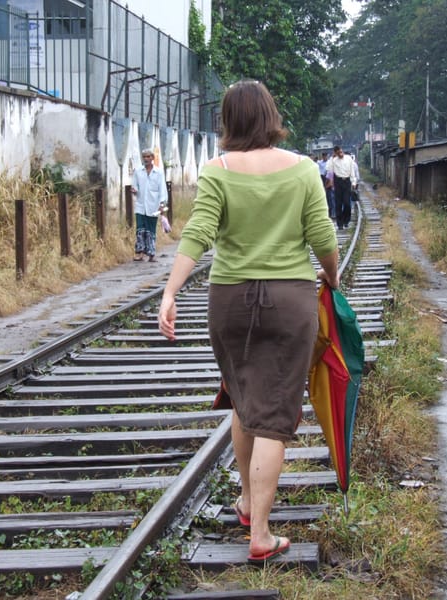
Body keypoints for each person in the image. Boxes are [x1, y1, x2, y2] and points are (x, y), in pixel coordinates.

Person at [157, 80, 339, 563]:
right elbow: (322, 234)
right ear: (270, 116)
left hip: (230, 299)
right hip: (290, 299)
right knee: (276, 414)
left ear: (229, 120)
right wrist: (333, 276)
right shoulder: (302, 169)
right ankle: (260, 532)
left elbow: (198, 232)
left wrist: (171, 292)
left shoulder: (217, 170)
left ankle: (244, 499)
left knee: (243, 397)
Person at [131, 148, 168, 262]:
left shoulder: (159, 172)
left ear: (152, 158)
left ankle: (151, 254)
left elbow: (162, 189)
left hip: (153, 206)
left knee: (151, 230)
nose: (146, 159)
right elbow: (134, 185)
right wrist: (134, 190)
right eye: (144, 157)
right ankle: (140, 253)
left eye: (148, 156)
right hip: (141, 205)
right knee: (140, 229)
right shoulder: (138, 171)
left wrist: (162, 204)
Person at [326, 146, 359, 229]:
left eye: (341, 152)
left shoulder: (348, 159)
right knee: (338, 204)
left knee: (347, 203)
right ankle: (340, 224)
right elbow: (328, 169)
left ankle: (346, 220)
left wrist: (354, 181)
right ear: (336, 153)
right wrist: (331, 158)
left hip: (347, 181)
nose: (341, 154)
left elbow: (352, 171)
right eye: (338, 153)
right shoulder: (333, 161)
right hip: (338, 182)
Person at [318, 152, 334, 218]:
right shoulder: (319, 163)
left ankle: (330, 212)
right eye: (324, 156)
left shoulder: (329, 163)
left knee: (329, 197)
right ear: (322, 156)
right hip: (321, 177)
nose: (325, 157)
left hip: (328, 178)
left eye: (326, 156)